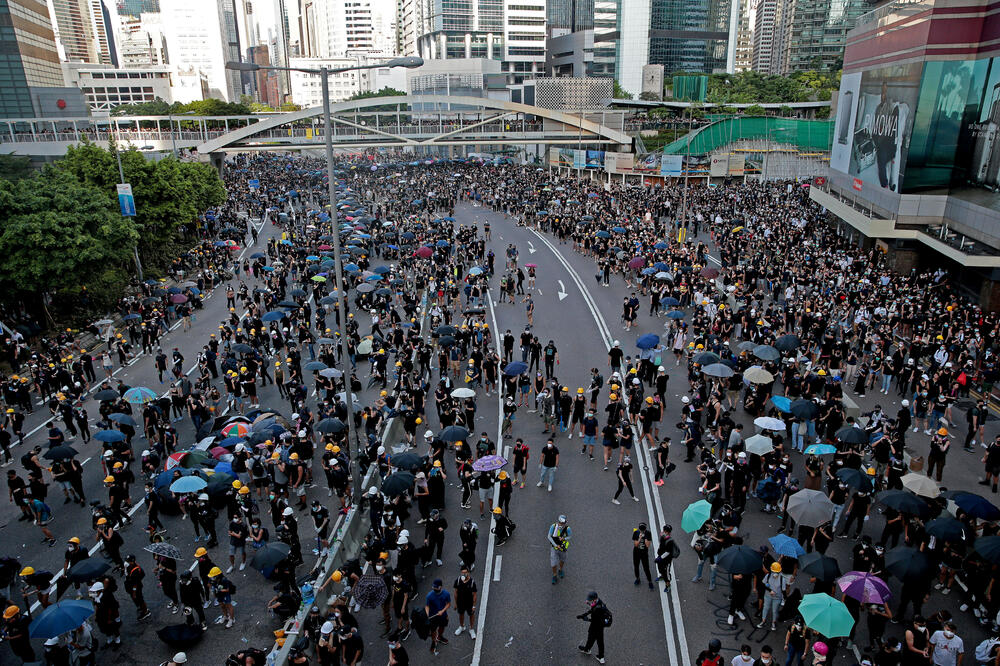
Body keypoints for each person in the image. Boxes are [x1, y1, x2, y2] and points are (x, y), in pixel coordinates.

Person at [577, 591, 610, 665]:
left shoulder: (597, 610)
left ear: (594, 599)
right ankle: (601, 657)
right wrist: (584, 614)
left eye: (590, 600)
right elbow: (592, 610)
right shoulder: (599, 602)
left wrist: (586, 619)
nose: (588, 601)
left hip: (595, 626)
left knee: (591, 638)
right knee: (600, 642)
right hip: (601, 626)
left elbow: (594, 620)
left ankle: (587, 650)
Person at [758, 562, 787, 632]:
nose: (775, 573)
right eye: (773, 571)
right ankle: (763, 620)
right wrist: (769, 590)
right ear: (771, 570)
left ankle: (773, 623)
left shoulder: (782, 579)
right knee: (765, 608)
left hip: (777, 598)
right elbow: (763, 584)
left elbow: (783, 590)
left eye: (776, 572)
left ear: (780, 571)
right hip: (768, 596)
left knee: (775, 610)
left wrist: (785, 598)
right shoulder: (768, 576)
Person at [424, 578, 451, 656]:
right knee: (433, 630)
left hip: (442, 615)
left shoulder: (446, 594)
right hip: (433, 616)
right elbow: (427, 606)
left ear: (441, 587)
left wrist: (442, 611)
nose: (435, 588)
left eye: (436, 587)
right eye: (434, 587)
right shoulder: (429, 596)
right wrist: (427, 614)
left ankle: (440, 637)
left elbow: (448, 604)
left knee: (442, 627)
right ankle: (433, 641)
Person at [452, 565, 478, 639]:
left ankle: (471, 629)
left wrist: (474, 606)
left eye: (465, 573)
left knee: (471, 615)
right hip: (461, 602)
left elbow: (474, 595)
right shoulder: (457, 581)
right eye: (462, 573)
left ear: (468, 573)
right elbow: (455, 593)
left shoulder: (472, 582)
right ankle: (462, 626)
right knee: (461, 614)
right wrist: (456, 604)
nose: (464, 574)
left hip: (469, 603)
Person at [548, 514, 571, 584]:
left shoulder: (567, 529)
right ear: (558, 521)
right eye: (560, 522)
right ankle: (554, 575)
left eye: (563, 523)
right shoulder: (553, 526)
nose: (561, 524)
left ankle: (560, 570)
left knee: (562, 560)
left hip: (563, 548)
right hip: (554, 548)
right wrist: (555, 545)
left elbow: (570, 537)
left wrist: (564, 538)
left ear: (565, 523)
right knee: (553, 563)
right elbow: (549, 537)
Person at [632, 521, 655, 589]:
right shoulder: (636, 532)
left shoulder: (648, 533)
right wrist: (639, 538)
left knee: (646, 568)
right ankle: (638, 578)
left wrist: (645, 538)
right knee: (636, 566)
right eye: (640, 530)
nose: (641, 531)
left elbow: (647, 545)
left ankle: (650, 581)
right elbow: (636, 544)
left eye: (642, 530)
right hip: (636, 553)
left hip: (644, 553)